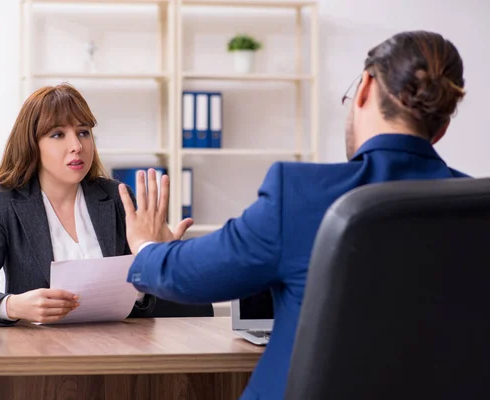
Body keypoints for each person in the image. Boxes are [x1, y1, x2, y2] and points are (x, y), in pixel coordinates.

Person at [117, 31, 470, 400]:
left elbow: (188, 276)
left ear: (365, 87)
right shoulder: (477, 208)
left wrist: (146, 246)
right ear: (442, 127)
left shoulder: (301, 194)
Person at [0, 83, 212, 326]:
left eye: (83, 132)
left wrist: (153, 264)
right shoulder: (5, 201)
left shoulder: (115, 197)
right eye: (58, 134)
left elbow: (142, 306)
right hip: (40, 352)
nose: (77, 146)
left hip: (114, 348)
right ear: (32, 145)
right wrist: (12, 306)